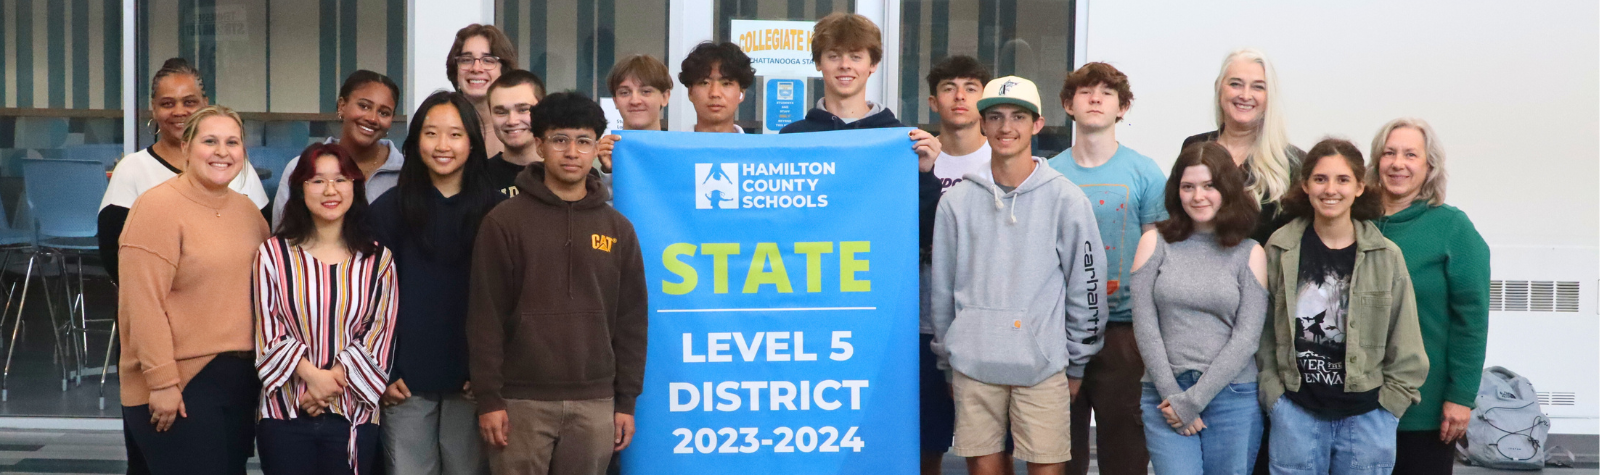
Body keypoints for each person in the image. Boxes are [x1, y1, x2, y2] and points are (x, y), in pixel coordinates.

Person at [930, 76, 1107, 475]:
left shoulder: (1066, 199)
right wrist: (949, 360)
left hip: (1042, 366)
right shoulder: (956, 202)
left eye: (1017, 117)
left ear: (1038, 125)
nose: (1006, 127)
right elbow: (941, 291)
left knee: (1047, 468)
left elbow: (1087, 287)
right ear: (982, 123)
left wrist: (1076, 362)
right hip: (974, 365)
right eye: (994, 117)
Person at [467, 92, 648, 475]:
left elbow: (632, 322)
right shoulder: (504, 222)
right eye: (559, 139)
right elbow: (485, 317)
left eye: (583, 141)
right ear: (539, 145)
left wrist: (626, 402)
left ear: (595, 146)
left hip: (596, 402)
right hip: (519, 402)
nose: (571, 151)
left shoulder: (618, 228)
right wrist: (489, 399)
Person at [1258, 138, 1428, 475]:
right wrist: (1274, 397)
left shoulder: (1386, 255)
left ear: (1360, 187)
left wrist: (1388, 409)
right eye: (1320, 179)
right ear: (1305, 185)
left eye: (1343, 179)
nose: (1330, 189)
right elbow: (1263, 331)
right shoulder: (1280, 248)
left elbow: (1405, 340)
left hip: (1366, 419)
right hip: (1296, 413)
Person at [118, 105, 271, 475]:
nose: (222, 151)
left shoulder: (249, 211)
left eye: (232, 142)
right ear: (185, 147)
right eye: (210, 141)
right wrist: (163, 382)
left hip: (239, 377)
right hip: (180, 381)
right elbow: (143, 304)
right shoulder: (156, 207)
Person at [368, 91, 504, 475]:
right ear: (415, 142)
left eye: (455, 134)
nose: (443, 145)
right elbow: (367, 300)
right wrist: (384, 370)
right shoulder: (388, 209)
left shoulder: (497, 212)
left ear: (473, 144)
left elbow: (510, 301)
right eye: (431, 133)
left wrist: (490, 377)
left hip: (471, 383)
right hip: (404, 385)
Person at [778, 12, 944, 313]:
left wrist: (925, 176)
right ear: (818, 63)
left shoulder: (901, 139)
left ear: (873, 65)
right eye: (833, 56)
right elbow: (778, 222)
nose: (845, 66)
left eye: (856, 56)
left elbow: (924, 233)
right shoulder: (791, 138)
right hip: (805, 291)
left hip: (878, 294)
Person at [1047, 61, 1167, 475]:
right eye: (1085, 91)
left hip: (1125, 332)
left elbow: (1160, 252)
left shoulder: (1145, 172)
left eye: (1107, 93)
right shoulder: (1049, 174)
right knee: (1060, 454)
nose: (1095, 98)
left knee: (1126, 454)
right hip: (1059, 333)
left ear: (1122, 108)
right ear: (1068, 104)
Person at [255, 143, 398, 475]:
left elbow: (380, 336)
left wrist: (329, 384)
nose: (330, 190)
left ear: (355, 186)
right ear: (299, 187)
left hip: (353, 414)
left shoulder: (378, 260)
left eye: (341, 179)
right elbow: (268, 333)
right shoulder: (273, 255)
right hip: (284, 413)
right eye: (317, 181)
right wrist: (311, 378)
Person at [1130, 142, 1268, 475]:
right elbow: (1145, 326)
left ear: (1228, 189)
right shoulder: (1155, 242)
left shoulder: (1250, 252)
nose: (1198, 196)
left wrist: (1193, 401)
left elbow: (1247, 338)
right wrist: (1175, 398)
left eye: (1209, 186)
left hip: (1232, 396)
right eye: (1188, 187)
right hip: (1166, 394)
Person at [1367, 119, 1489, 475]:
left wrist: (1461, 397)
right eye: (1389, 153)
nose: (1397, 163)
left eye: (1410, 155)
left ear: (1429, 166)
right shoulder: (1356, 224)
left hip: (1427, 409)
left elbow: (1472, 320)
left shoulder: (1453, 228)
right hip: (1357, 408)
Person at [99, 58, 269, 282]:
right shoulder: (132, 169)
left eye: (189, 102)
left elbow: (264, 245)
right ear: (154, 109)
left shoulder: (232, 165)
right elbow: (115, 257)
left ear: (205, 104)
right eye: (168, 104)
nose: (179, 111)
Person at [911, 53, 992, 474]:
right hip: (923, 319)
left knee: (995, 447)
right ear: (932, 102)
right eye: (949, 88)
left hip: (985, 321)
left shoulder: (1001, 161)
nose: (960, 97)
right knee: (927, 441)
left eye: (971, 88)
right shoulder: (914, 158)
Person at [1181, 49, 1301, 245]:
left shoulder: (1292, 162)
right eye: (1235, 84)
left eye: (1258, 87)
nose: (1245, 95)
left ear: (1269, 96)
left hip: (1262, 272)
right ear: (1219, 89)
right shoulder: (1193, 147)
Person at [273, 70, 405, 228]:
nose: (372, 118)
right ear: (342, 106)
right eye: (364, 106)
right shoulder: (301, 168)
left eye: (384, 113)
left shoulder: (406, 173)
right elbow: (283, 238)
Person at [448, 24, 519, 159]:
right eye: (466, 60)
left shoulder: (520, 131)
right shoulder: (442, 130)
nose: (476, 68)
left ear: (504, 70)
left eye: (487, 60)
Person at [484, 69, 548, 197]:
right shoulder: (478, 177)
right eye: (501, 112)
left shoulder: (565, 170)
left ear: (543, 111)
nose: (512, 121)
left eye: (523, 110)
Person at [679, 41, 755, 133]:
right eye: (704, 83)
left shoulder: (756, 147)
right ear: (690, 92)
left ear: (741, 92)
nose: (715, 93)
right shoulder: (674, 147)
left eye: (726, 83)